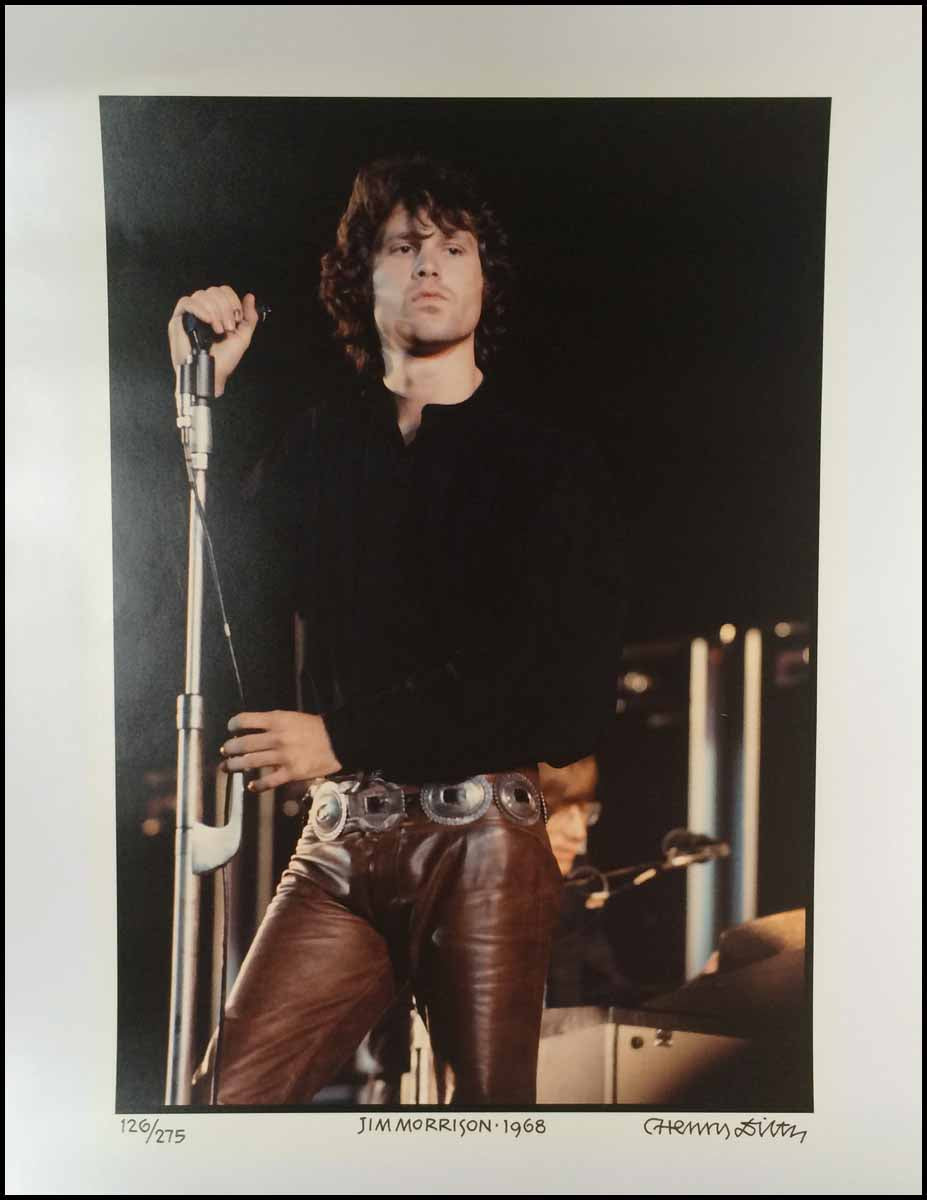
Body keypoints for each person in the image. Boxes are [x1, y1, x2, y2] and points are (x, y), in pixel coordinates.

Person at [167, 156, 624, 1106]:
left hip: (481, 841)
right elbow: (231, 622)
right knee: (221, 1107)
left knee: (483, 1127)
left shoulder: (547, 461)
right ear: (359, 279)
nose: (429, 265)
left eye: (454, 247)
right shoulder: (318, 448)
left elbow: (565, 699)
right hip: (338, 845)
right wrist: (208, 396)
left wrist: (344, 735)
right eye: (403, 246)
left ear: (484, 279)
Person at [540, 758, 640, 1009]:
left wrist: (700, 989)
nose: (579, 832)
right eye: (562, 810)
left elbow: (605, 989)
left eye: (585, 811)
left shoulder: (577, 886)